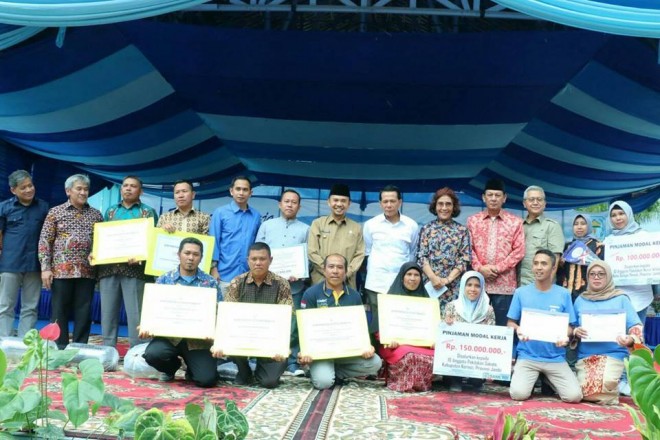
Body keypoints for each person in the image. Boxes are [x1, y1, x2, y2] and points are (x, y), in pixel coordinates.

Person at [141, 237, 220, 387]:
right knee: (153, 354)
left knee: (207, 380)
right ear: (179, 255)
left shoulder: (210, 283)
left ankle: (192, 368)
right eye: (187, 253)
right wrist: (147, 326)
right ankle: (171, 367)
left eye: (195, 254)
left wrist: (213, 331)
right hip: (170, 337)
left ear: (201, 258)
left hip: (198, 341)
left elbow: (218, 313)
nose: (191, 258)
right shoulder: (164, 280)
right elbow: (153, 309)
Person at [212, 242, 292, 388]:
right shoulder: (237, 282)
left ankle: (262, 369)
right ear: (247, 260)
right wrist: (220, 343)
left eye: (262, 259)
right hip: (242, 339)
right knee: (231, 338)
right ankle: (244, 371)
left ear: (271, 260)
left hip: (270, 341)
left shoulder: (282, 284)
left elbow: (285, 321)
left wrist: (280, 348)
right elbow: (228, 318)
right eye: (254, 259)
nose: (258, 263)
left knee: (269, 382)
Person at [506, 249, 582, 403]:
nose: (538, 267)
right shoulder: (521, 293)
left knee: (574, 396)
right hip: (528, 356)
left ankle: (546, 378)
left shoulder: (563, 294)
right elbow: (510, 323)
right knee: (518, 394)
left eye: (543, 264)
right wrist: (518, 329)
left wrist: (564, 336)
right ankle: (536, 377)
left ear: (553, 268)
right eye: (535, 263)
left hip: (555, 357)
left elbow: (571, 327)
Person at [38, 174, 103, 349]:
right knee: (60, 311)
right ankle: (59, 348)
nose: (83, 192)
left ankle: (80, 348)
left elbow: (102, 242)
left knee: (84, 312)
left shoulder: (96, 215)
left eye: (86, 189)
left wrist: (99, 253)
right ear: (68, 191)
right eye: (79, 189)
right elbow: (45, 241)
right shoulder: (55, 212)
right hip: (61, 271)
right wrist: (45, 268)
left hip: (87, 271)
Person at [298, 254, 381, 389]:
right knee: (324, 383)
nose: (335, 271)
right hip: (321, 353)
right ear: (324, 270)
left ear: (346, 271)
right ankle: (319, 371)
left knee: (375, 363)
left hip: (346, 351)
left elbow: (360, 327)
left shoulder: (354, 296)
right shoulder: (311, 294)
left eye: (340, 267)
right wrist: (305, 351)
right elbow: (303, 328)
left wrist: (367, 346)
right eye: (331, 267)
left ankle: (332, 372)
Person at [98, 176, 158, 348]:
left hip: (136, 271)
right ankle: (107, 351)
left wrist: (142, 255)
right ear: (121, 189)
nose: (128, 189)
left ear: (141, 191)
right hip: (109, 269)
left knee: (135, 314)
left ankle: (137, 352)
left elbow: (153, 242)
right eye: (125, 186)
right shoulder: (110, 211)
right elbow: (102, 238)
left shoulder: (148, 212)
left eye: (133, 186)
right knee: (107, 314)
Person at [572, 261, 643, 405]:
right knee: (578, 392)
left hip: (613, 354)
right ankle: (608, 392)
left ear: (608, 276)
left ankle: (610, 390)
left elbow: (635, 325)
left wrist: (629, 339)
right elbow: (572, 327)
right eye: (592, 274)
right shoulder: (581, 300)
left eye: (601, 274)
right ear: (588, 277)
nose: (596, 277)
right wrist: (575, 331)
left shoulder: (621, 298)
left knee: (602, 386)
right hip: (586, 355)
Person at [256, 189, 309, 377]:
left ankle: (292, 363)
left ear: (299, 206)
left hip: (294, 286)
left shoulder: (305, 229)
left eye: (294, 202)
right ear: (279, 204)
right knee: (266, 321)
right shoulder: (267, 226)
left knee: (293, 325)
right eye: (286, 201)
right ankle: (259, 359)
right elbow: (258, 253)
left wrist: (300, 273)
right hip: (268, 284)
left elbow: (306, 257)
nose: (289, 205)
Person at [467, 178, 525, 326]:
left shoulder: (515, 222)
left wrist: (497, 269)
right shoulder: (472, 221)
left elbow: (519, 250)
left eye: (497, 195)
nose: (493, 198)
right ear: (483, 197)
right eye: (490, 195)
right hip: (478, 285)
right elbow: (467, 248)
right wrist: (480, 268)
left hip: (504, 287)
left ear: (504, 198)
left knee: (502, 330)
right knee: (476, 328)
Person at [363, 185, 419, 335]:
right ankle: (377, 358)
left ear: (400, 202)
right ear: (380, 203)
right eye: (385, 201)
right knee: (377, 323)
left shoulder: (411, 225)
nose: (389, 205)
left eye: (392, 201)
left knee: (399, 320)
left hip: (401, 283)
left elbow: (413, 253)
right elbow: (367, 251)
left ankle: (395, 357)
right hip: (376, 282)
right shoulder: (370, 225)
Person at [0, 170, 49, 337]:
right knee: (5, 305)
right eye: (24, 187)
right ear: (13, 190)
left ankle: (23, 345)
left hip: (35, 264)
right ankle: (3, 344)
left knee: (30, 306)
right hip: (10, 264)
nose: (29, 190)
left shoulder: (43, 207)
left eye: (31, 185)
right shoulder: (4, 207)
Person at [377, 262, 434, 392]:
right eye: (409, 274)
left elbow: (432, 326)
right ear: (402, 277)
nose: (412, 278)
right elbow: (379, 327)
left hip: (421, 344)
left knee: (432, 357)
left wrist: (433, 340)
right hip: (395, 344)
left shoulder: (427, 301)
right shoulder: (390, 299)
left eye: (416, 275)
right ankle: (400, 383)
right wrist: (387, 339)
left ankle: (421, 384)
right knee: (409, 356)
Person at [417, 187, 470, 316]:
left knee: (450, 325)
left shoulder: (462, 231)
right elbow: (421, 256)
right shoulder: (426, 229)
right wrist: (433, 278)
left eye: (448, 204)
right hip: (430, 285)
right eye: (440, 204)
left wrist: (447, 279)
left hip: (453, 287)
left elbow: (464, 259)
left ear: (454, 207)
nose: (444, 208)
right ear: (435, 206)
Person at [603, 201, 654, 326]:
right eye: (613, 215)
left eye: (621, 213)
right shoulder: (608, 241)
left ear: (629, 214)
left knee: (636, 337)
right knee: (618, 337)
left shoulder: (645, 237)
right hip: (615, 296)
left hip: (640, 295)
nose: (618, 218)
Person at [444, 271, 496, 391]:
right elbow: (444, 336)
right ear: (463, 286)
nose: (473, 289)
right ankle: (454, 380)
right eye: (469, 285)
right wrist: (447, 325)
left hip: (478, 354)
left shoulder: (488, 310)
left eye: (477, 286)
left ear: (482, 288)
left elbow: (492, 337)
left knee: (476, 382)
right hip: (456, 353)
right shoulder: (451, 306)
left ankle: (476, 380)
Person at [210, 176, 261, 298]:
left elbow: (257, 244)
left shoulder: (256, 216)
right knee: (222, 312)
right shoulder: (220, 213)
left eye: (245, 189)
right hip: (224, 274)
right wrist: (213, 268)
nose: (241, 193)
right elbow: (214, 241)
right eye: (238, 189)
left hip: (248, 275)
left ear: (250, 193)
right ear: (231, 191)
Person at [308, 184, 365, 289]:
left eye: (343, 201)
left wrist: (346, 274)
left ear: (349, 203)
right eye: (335, 200)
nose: (339, 204)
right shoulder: (318, 224)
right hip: (320, 282)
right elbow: (312, 252)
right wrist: (328, 272)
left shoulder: (356, 227)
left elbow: (360, 254)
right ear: (328, 202)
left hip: (347, 283)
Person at [519, 185, 564, 286]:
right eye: (531, 199)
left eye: (539, 199)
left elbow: (555, 260)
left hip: (539, 285)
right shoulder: (518, 226)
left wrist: (546, 287)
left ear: (544, 203)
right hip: (518, 285)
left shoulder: (552, 226)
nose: (535, 202)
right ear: (524, 203)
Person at [557, 213, 604, 302]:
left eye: (583, 223)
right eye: (576, 224)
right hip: (567, 295)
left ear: (589, 226)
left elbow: (603, 271)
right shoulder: (568, 246)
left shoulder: (598, 246)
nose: (579, 227)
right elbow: (560, 273)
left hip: (589, 294)